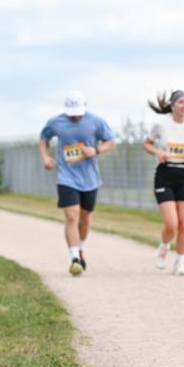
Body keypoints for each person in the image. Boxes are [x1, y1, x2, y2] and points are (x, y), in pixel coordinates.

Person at [39, 92, 117, 275]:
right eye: (72, 113)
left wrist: (96, 150)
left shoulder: (96, 121)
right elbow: (44, 138)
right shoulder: (55, 122)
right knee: (72, 217)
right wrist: (45, 156)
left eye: (79, 112)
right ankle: (75, 259)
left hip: (90, 178)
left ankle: (80, 249)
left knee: (85, 217)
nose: (75, 116)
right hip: (66, 177)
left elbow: (111, 141)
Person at [142, 90, 184, 276]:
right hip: (165, 174)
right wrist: (158, 153)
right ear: (172, 105)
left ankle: (180, 263)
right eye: (181, 102)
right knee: (172, 224)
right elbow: (146, 144)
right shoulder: (161, 125)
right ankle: (164, 246)